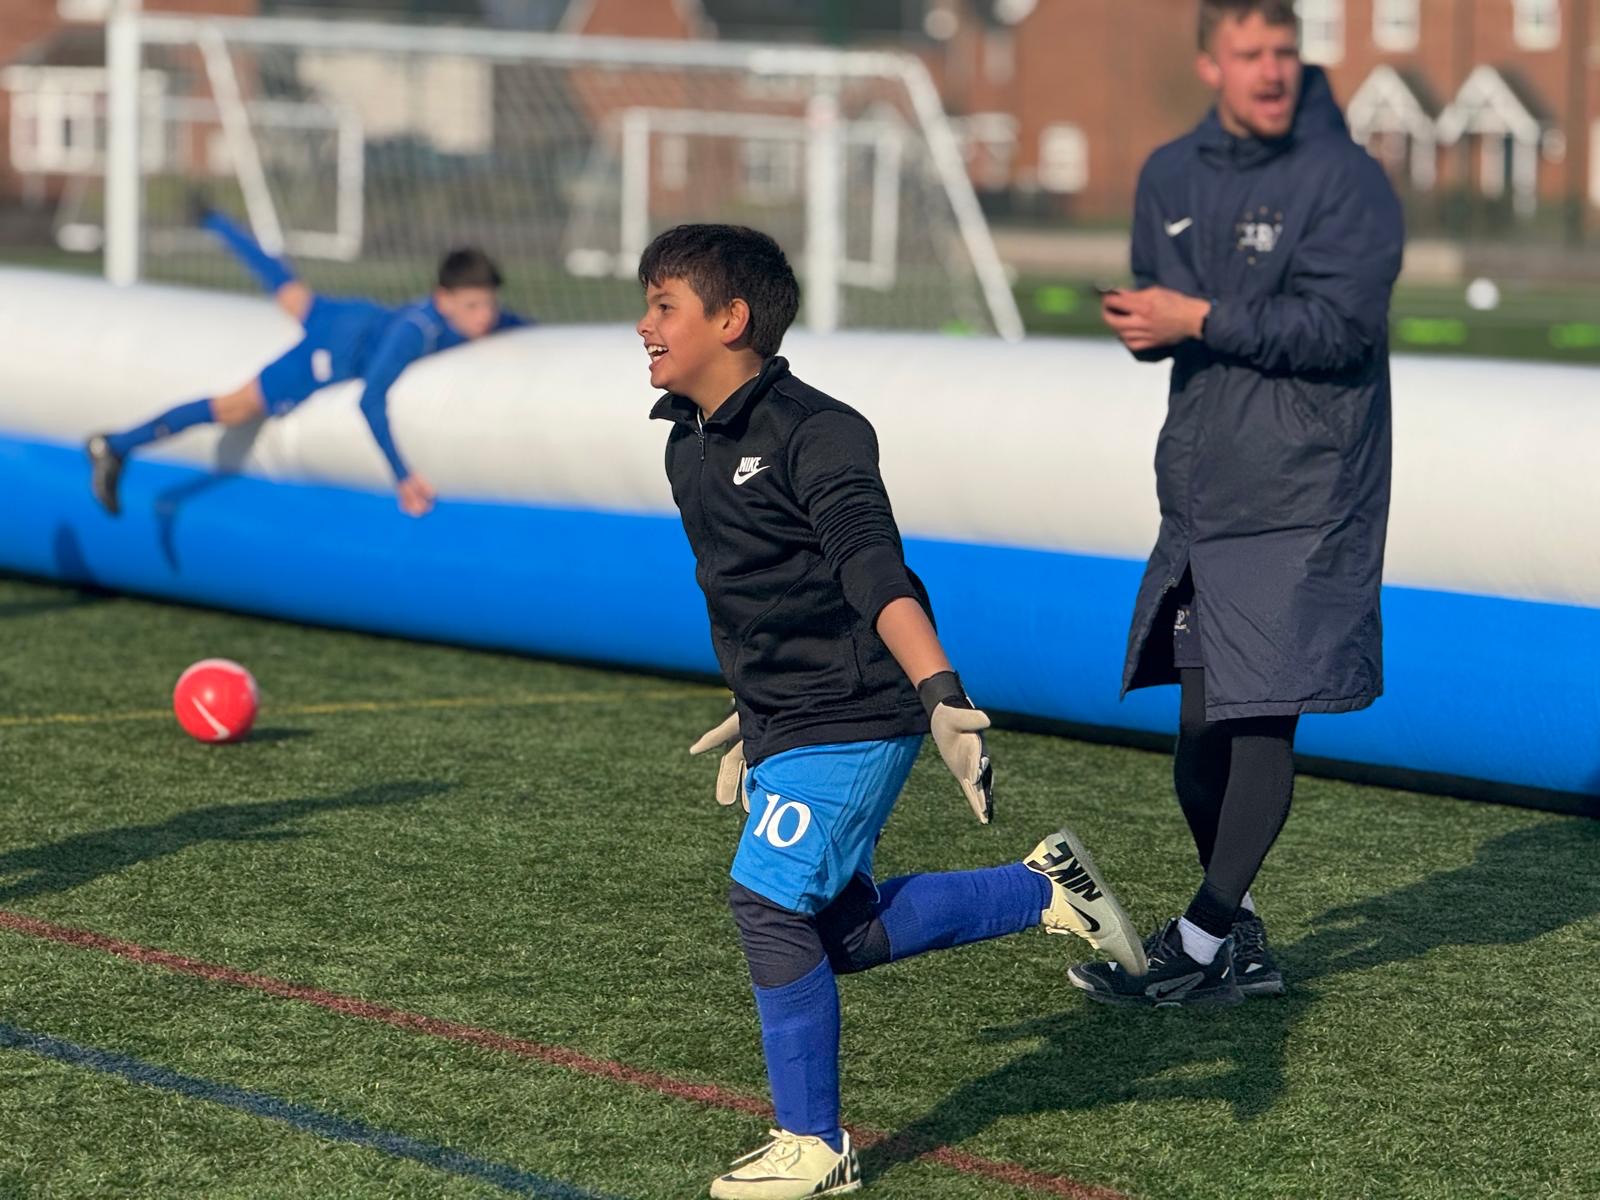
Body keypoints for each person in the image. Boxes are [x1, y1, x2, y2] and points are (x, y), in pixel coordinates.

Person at [641, 223, 1147, 1199]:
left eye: (664, 305)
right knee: (843, 934)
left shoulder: (820, 430)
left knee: (765, 902)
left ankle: (815, 1148)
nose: (643, 326)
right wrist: (752, 707)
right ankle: (1044, 889)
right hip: (786, 716)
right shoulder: (686, 443)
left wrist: (940, 694)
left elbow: (872, 567)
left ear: (730, 318)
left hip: (858, 711)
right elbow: (759, 590)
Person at [1072, 0, 1403, 1009]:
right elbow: (1164, 297)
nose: (1270, 71)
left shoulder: (1344, 178)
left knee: (1260, 721)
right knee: (1199, 733)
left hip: (1310, 490)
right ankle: (1240, 941)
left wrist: (1200, 316)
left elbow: (1340, 329)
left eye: (1283, 53)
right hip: (1205, 487)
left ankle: (1199, 940)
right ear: (1210, 61)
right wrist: (1153, 324)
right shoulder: (1169, 173)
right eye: (1249, 54)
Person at [85, 209, 528, 518]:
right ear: (442, 299)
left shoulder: (482, 321)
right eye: (471, 306)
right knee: (233, 409)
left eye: (489, 305)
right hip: (329, 351)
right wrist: (402, 475)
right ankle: (115, 446)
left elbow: (520, 324)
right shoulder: (416, 333)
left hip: (353, 316)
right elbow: (370, 399)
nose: (484, 317)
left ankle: (214, 220)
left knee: (290, 291)